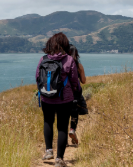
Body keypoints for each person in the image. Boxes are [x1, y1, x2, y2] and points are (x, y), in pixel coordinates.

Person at [36, 33, 81, 167]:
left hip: (46, 97)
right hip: (64, 99)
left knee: (48, 122)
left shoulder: (43, 59)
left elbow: (38, 78)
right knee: (62, 126)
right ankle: (59, 159)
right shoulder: (68, 60)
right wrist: (75, 91)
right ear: (65, 45)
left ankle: (48, 150)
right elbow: (74, 80)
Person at [67, 44, 88, 145]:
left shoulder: (62, 64)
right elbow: (83, 81)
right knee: (74, 114)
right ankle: (72, 130)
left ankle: (64, 140)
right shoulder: (79, 66)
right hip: (75, 94)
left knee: (64, 115)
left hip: (64, 94)